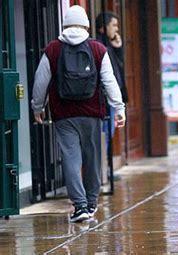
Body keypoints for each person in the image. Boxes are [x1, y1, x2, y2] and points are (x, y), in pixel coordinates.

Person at [31, 5, 126, 223]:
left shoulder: (53, 49)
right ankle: (91, 202)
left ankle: (80, 206)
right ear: (86, 25)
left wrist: (38, 107)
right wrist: (118, 108)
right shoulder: (97, 49)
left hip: (64, 115)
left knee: (71, 158)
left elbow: (40, 81)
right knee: (92, 158)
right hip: (92, 114)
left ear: (64, 24)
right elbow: (109, 81)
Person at [96, 12, 128, 142]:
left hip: (112, 98)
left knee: (109, 133)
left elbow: (119, 67)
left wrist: (118, 48)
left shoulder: (108, 45)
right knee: (105, 134)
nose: (117, 29)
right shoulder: (100, 46)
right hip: (105, 98)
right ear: (104, 27)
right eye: (113, 25)